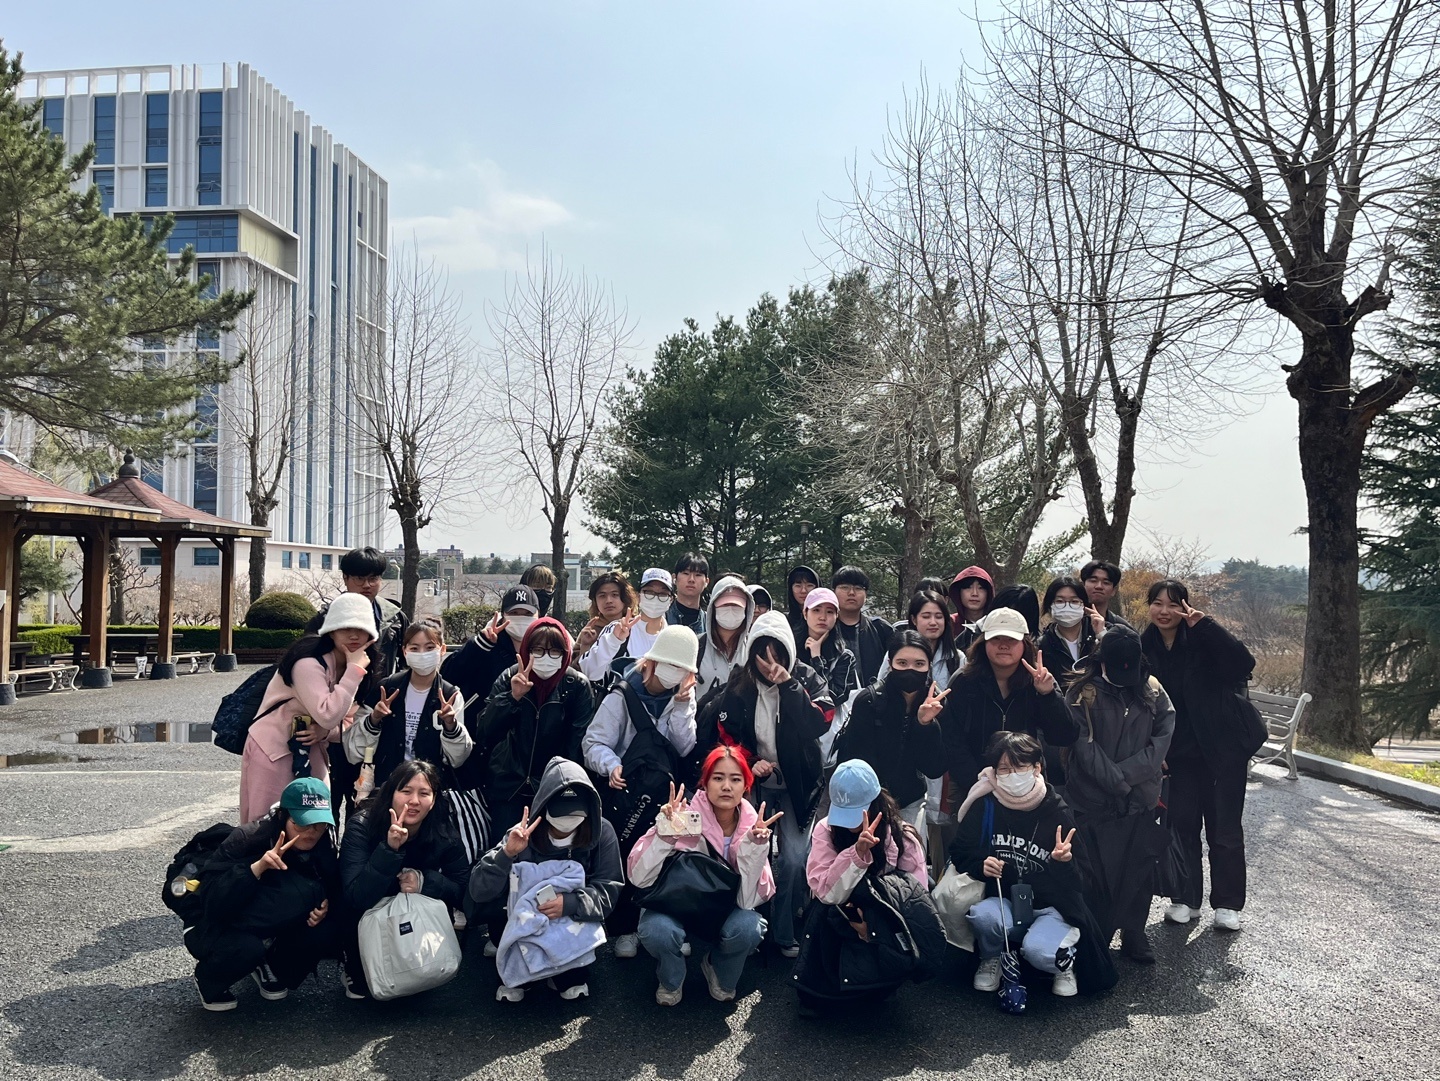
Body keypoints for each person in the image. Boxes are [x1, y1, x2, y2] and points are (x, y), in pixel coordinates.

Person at [694, 610, 833, 956]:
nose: (769, 663)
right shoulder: (740, 683)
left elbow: (819, 722)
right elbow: (726, 732)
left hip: (799, 785)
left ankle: (784, 931)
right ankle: (749, 923)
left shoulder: (806, 678)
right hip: (754, 784)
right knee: (749, 852)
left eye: (777, 653)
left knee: (795, 859)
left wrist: (788, 685)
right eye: (762, 653)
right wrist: (751, 761)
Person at [949, 732, 1116, 998]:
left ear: (1037, 768)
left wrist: (1064, 862)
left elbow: (1084, 881)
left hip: (1053, 907)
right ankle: (992, 956)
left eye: (1020, 767)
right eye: (1004, 769)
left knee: (1038, 951)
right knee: (983, 916)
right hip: (1004, 900)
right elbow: (959, 851)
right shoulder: (986, 805)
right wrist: (980, 864)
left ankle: (1062, 960)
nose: (1012, 775)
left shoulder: (1057, 812)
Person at [1139, 579, 1258, 933]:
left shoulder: (1202, 638)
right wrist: (1154, 749)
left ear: (1185, 607)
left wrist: (1206, 626)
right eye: (1157, 603)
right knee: (1181, 826)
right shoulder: (1144, 646)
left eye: (1173, 604)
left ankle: (1227, 904)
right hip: (1178, 754)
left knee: (1224, 830)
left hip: (1222, 752)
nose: (1164, 611)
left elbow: (1243, 664)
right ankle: (1185, 899)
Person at [582, 624, 700, 959]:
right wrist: (611, 765)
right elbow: (593, 743)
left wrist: (682, 707)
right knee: (626, 856)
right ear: (651, 660)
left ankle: (665, 926)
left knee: (668, 857)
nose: (673, 672)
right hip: (627, 791)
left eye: (681, 668)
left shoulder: (683, 696)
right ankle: (625, 928)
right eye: (668, 663)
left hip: (666, 793)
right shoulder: (622, 694)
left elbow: (684, 746)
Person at [628, 747, 777, 1005]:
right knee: (656, 930)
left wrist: (755, 846)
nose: (726, 786)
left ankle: (717, 968)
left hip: (724, 907)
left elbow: (746, 902)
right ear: (705, 783)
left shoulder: (754, 828)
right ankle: (671, 978)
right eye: (718, 778)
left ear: (746, 786)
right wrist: (664, 834)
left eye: (735, 779)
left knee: (749, 927)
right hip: (676, 902)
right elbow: (638, 879)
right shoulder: (681, 816)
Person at [1062, 626, 1175, 962]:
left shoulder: (1153, 690)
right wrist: (1117, 781)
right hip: (1091, 797)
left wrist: (1126, 778)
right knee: (1097, 872)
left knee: (1139, 868)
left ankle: (1134, 933)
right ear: (1101, 661)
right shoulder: (1081, 692)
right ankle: (1098, 932)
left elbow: (1161, 741)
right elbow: (1083, 746)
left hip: (1140, 798)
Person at [469, 757, 622, 1002]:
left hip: (571, 920)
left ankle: (566, 971)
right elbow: (479, 891)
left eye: (575, 813)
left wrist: (571, 903)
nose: (567, 822)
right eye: (561, 812)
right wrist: (506, 854)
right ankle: (519, 969)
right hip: (523, 919)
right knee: (513, 955)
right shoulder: (521, 833)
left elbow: (609, 889)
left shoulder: (601, 832)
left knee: (571, 981)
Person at [186, 778, 345, 1010]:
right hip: (215, 922)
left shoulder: (324, 843)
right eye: (302, 824)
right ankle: (209, 978)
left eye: (319, 824)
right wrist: (255, 869)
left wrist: (325, 905)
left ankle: (270, 964)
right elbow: (212, 902)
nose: (311, 833)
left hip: (268, 917)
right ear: (282, 816)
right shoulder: (248, 838)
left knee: (325, 928)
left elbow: (333, 886)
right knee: (246, 949)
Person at [795, 760, 939, 1012]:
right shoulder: (826, 829)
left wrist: (872, 925)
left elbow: (915, 900)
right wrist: (856, 854)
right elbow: (825, 892)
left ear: (875, 803)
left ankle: (881, 982)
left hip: (883, 919)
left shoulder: (902, 836)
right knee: (822, 914)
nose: (848, 822)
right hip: (838, 912)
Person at [347, 620, 483, 862]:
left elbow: (458, 758)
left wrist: (451, 725)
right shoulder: (386, 689)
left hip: (428, 796)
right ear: (404, 651)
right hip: (385, 789)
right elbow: (353, 750)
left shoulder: (451, 695)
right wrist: (374, 718)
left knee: (422, 856)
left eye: (430, 647)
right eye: (415, 648)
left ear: (442, 650)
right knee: (381, 852)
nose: (422, 654)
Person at [338, 760, 472, 998]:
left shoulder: (442, 831)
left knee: (420, 982)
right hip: (371, 913)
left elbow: (466, 895)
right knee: (364, 988)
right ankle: (355, 965)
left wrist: (425, 882)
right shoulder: (362, 826)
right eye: (406, 791)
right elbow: (355, 896)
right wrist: (389, 850)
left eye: (424, 793)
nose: (414, 801)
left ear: (434, 800)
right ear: (391, 793)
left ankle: (421, 962)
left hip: (419, 920)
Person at [241, 594, 378, 823]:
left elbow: (350, 720)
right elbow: (327, 714)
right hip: (273, 749)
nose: (354, 635)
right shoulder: (308, 662)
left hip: (312, 751)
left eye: (361, 628)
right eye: (345, 628)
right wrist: (354, 671)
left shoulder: (357, 665)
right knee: (267, 822)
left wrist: (325, 732)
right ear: (331, 630)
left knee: (316, 821)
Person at [475, 618, 595, 838]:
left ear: (565, 654)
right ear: (526, 650)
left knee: (547, 850)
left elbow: (577, 743)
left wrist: (566, 787)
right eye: (538, 650)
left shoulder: (576, 686)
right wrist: (512, 698)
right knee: (505, 848)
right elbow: (485, 732)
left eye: (554, 651)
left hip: (554, 787)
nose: (546, 657)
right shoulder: (510, 677)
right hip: (509, 785)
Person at [941, 608, 1078, 799]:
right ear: (984, 642)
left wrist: (1048, 695)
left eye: (1011, 639)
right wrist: (979, 783)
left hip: (1027, 784)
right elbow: (952, 741)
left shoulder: (1038, 680)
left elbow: (1064, 736)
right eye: (996, 639)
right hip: (973, 787)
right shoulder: (964, 681)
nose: (1003, 645)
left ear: (1024, 644)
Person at [834, 631, 947, 835]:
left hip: (911, 801)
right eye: (902, 663)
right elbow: (857, 758)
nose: (910, 670)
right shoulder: (870, 701)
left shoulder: (936, 704)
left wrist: (924, 724)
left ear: (929, 666)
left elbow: (934, 768)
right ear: (890, 663)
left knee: (912, 853)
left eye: (919, 664)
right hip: (870, 802)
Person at [305, 547, 409, 678]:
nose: (367, 585)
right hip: (336, 688)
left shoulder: (396, 617)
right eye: (359, 578)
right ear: (345, 578)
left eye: (373, 578)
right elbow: (307, 661)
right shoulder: (324, 618)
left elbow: (408, 660)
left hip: (382, 689)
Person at [440, 585, 542, 707]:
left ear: (539, 616)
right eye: (514, 613)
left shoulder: (545, 647)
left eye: (528, 613)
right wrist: (479, 645)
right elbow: (447, 676)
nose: (521, 618)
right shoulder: (486, 646)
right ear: (503, 616)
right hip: (483, 716)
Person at [579, 568, 675, 682]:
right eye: (649, 592)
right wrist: (613, 641)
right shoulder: (617, 629)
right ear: (638, 596)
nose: (655, 598)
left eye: (663, 594)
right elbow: (589, 671)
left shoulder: (675, 639)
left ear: (671, 600)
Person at [831, 565, 896, 686]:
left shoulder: (881, 628)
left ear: (866, 594)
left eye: (858, 588)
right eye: (844, 587)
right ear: (833, 591)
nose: (851, 593)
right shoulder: (825, 628)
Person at [693, 576, 755, 702]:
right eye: (725, 605)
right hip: (702, 714)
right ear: (713, 608)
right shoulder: (696, 645)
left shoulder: (754, 647)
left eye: (736, 606)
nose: (730, 609)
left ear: (746, 609)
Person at [799, 587, 860, 706]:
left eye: (830, 612)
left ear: (837, 616)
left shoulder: (844, 656)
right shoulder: (791, 648)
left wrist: (817, 659)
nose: (822, 617)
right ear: (805, 613)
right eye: (816, 610)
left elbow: (836, 697)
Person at [1038, 575, 1107, 680]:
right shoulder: (1042, 645)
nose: (1067, 607)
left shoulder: (1102, 634)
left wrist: (1102, 635)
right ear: (1050, 606)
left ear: (1084, 606)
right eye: (1060, 601)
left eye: (1074, 601)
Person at [574, 571, 636, 661]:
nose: (608, 600)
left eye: (614, 595)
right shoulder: (590, 631)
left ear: (625, 598)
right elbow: (575, 666)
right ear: (595, 601)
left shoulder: (637, 627)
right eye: (602, 596)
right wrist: (585, 645)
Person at [948, 566, 995, 650]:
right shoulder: (949, 623)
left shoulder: (996, 623)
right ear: (959, 592)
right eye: (968, 587)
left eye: (981, 588)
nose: (974, 593)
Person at [1080, 560, 1134, 629]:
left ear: (1114, 590)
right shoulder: (1070, 621)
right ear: (1082, 585)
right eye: (1093, 581)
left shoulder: (1122, 629)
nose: (1099, 586)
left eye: (1106, 582)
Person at [668, 552, 710, 633]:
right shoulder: (662, 617)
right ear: (674, 578)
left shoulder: (711, 624)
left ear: (706, 582)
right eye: (686, 573)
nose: (691, 579)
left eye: (698, 575)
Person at [785, 564, 821, 639]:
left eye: (809, 585)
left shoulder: (825, 619)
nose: (803, 591)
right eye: (798, 586)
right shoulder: (784, 621)